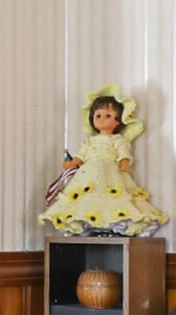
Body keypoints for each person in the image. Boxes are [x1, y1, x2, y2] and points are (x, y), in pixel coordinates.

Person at [41, 85, 167, 235]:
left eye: (108, 116)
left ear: (118, 121)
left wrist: (124, 163)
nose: (101, 120)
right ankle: (87, 222)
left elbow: (123, 153)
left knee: (112, 198)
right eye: (98, 116)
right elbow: (81, 156)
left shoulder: (117, 139)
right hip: (88, 174)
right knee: (86, 197)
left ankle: (114, 223)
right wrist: (72, 163)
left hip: (111, 173)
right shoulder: (90, 141)